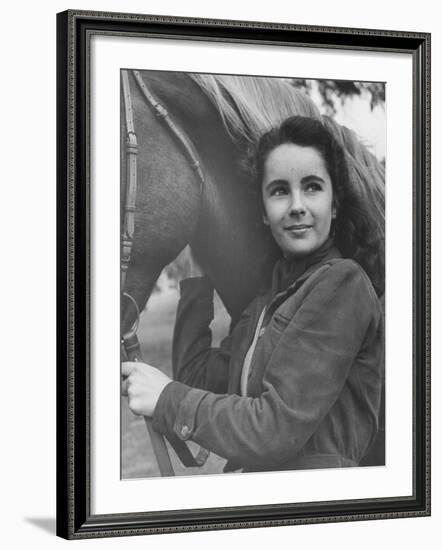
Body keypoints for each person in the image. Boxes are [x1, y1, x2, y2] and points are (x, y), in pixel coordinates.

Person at [122, 115, 384, 473]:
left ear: (335, 204)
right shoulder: (267, 302)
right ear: (263, 212)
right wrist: (198, 274)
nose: (296, 205)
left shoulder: (343, 284)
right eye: (279, 190)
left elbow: (275, 429)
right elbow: (196, 378)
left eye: (312, 187)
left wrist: (168, 399)